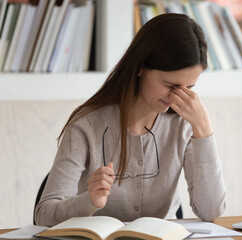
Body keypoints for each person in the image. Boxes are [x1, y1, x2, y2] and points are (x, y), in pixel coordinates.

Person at [35, 13, 226, 227]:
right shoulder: (86, 125)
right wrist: (88, 201)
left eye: (189, 88)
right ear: (140, 67)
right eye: (170, 85)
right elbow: (44, 214)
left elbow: (211, 212)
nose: (177, 97)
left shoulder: (185, 124)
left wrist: (204, 130)